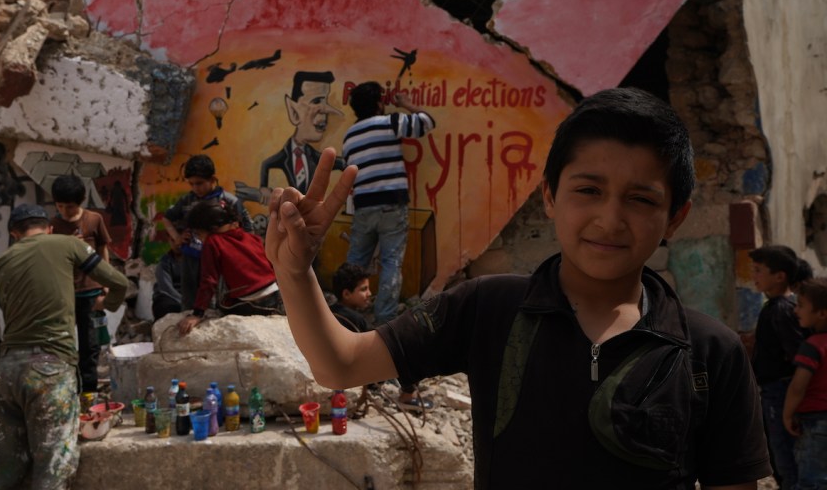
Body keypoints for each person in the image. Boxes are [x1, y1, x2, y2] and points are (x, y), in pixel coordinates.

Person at [266, 87, 771, 488]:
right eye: (588, 190)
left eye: (640, 199)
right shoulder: (489, 307)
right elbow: (341, 363)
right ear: (550, 196)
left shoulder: (709, 352)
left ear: (674, 217)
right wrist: (294, 272)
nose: (610, 219)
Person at [0, 204, 128, 490]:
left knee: (3, 466)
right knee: (53, 465)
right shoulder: (69, 244)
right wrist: (106, 306)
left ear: (14, 234)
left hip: (7, 373)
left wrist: (6, 357)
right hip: (51, 371)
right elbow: (118, 282)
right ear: (50, 228)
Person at [342, 81, 436, 326]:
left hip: (363, 206)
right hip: (391, 205)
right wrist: (406, 104)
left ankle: (347, 314)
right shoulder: (390, 122)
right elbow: (427, 121)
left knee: (355, 262)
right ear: (377, 104)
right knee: (391, 262)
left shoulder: (349, 136)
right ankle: (385, 320)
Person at [328, 262, 431, 410]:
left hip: (332, 371)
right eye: (364, 289)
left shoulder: (329, 312)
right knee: (408, 345)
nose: (369, 293)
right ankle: (408, 396)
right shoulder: (356, 319)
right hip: (357, 376)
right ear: (346, 294)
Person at [750, 244, 812, 490]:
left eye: (758, 271)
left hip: (781, 392)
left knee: (785, 457)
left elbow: (797, 356)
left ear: (779, 276)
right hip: (775, 391)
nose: (754, 276)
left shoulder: (782, 310)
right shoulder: (776, 308)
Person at [177, 199, 281, 336]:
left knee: (222, 304)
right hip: (275, 297)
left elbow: (209, 281)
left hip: (249, 303)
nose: (198, 238)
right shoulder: (251, 237)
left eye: (198, 233)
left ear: (211, 229)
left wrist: (197, 314)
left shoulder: (213, 242)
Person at [163, 154, 252, 314]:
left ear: (212, 180)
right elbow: (167, 218)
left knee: (216, 299)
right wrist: (177, 238)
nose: (196, 188)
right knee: (189, 300)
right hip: (191, 258)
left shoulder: (229, 201)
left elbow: (247, 230)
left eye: (200, 183)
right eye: (192, 184)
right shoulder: (187, 200)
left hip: (220, 261)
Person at [49, 174, 111, 394]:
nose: (65, 211)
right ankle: (66, 390)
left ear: (82, 201)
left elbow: (103, 248)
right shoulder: (52, 226)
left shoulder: (94, 220)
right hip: (64, 293)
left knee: (90, 345)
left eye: (71, 206)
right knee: (63, 344)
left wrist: (106, 280)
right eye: (60, 206)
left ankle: (89, 392)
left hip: (91, 292)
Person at [260, 70, 346, 195]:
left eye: (325, 102)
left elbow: (340, 164)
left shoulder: (318, 158)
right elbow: (266, 167)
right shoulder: (274, 162)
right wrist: (264, 189)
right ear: (293, 111)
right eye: (316, 101)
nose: (325, 111)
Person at [785, 278, 827, 489]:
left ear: (821, 313)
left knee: (813, 480)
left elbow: (798, 386)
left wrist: (787, 414)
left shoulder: (813, 346)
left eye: (801, 306)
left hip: (816, 421)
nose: (795, 311)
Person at [152, 231, 186, 321]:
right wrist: (183, 303)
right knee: (165, 307)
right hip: (169, 297)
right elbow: (166, 288)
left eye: (180, 240)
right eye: (172, 240)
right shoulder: (165, 262)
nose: (177, 244)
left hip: (188, 297)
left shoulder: (194, 260)